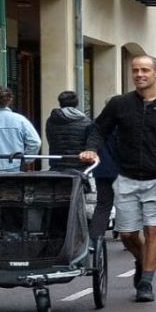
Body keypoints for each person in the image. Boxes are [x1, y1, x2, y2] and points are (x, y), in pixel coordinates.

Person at [82, 54, 156, 303]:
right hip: (127, 177)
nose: (139, 75)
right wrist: (91, 148)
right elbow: (99, 129)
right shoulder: (120, 104)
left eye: (145, 70)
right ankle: (143, 260)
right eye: (135, 70)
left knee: (153, 229)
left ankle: (146, 283)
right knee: (128, 234)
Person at [45, 90, 116, 239]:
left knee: (58, 198)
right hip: (79, 166)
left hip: (57, 164)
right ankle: (82, 231)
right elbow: (89, 144)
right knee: (84, 199)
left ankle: (57, 232)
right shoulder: (85, 122)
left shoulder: (51, 121)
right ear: (76, 103)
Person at [0, 85, 42, 164]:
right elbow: (35, 142)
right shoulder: (20, 120)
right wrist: (25, 160)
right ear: (10, 100)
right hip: (13, 166)